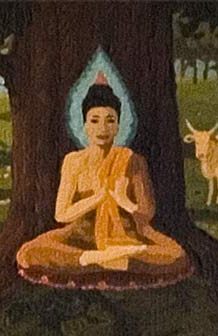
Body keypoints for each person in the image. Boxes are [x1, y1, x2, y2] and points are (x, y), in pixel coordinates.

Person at [16, 79, 191, 286]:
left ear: (119, 126)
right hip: (80, 239)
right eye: (95, 120)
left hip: (129, 239)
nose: (103, 128)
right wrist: (97, 197)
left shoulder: (132, 160)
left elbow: (147, 213)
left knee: (175, 254)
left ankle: (103, 259)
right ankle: (103, 259)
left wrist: (125, 201)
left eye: (110, 120)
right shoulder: (73, 161)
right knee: (29, 252)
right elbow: (61, 214)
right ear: (84, 126)